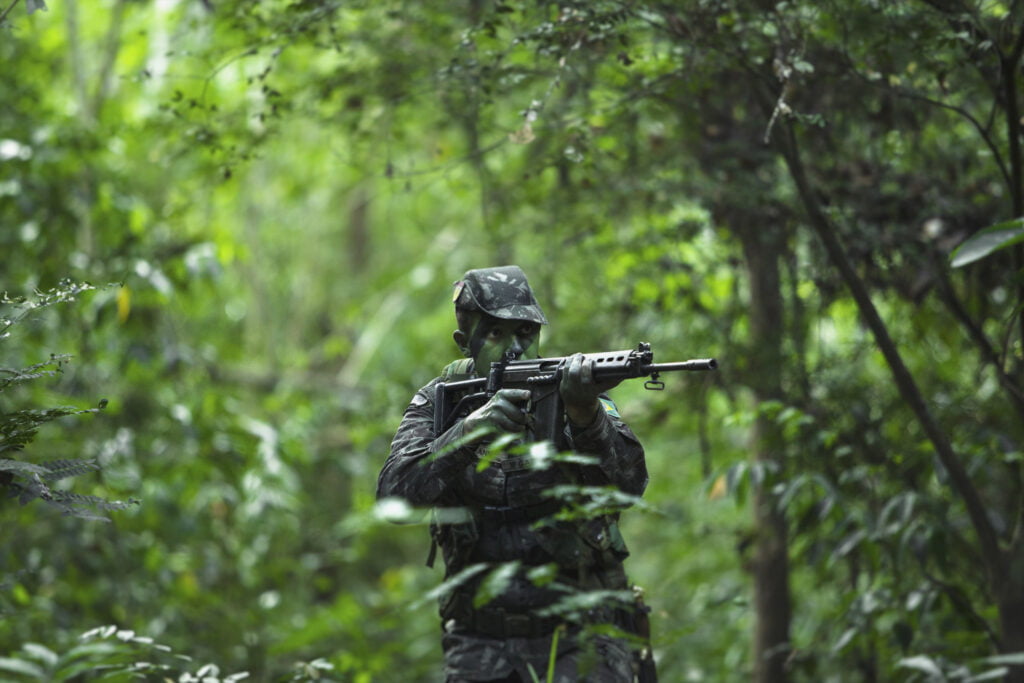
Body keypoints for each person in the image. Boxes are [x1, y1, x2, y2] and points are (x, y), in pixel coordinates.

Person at [377, 265, 654, 682]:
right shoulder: (441, 401)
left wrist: (586, 415)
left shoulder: (574, 387)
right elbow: (393, 501)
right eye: (494, 334)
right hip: (481, 643)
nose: (515, 349)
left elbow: (631, 486)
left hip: (583, 635)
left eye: (525, 333)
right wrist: (467, 432)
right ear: (463, 343)